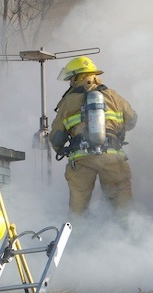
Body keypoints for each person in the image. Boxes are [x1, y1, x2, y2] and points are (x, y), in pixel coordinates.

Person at [50, 56, 138, 215]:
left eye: (71, 79)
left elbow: (56, 137)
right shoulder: (113, 96)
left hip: (81, 158)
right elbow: (132, 120)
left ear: (78, 77)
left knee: (78, 207)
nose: (71, 83)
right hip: (112, 156)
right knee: (122, 204)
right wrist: (117, 133)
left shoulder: (68, 102)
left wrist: (61, 149)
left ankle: (78, 231)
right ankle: (129, 230)